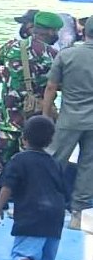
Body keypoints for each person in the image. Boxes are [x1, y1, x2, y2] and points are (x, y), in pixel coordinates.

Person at [0, 115, 66, 260]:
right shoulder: (55, 163)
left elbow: (7, 186)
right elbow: (63, 189)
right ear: (50, 140)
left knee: (20, 256)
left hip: (32, 215)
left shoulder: (19, 160)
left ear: (24, 138)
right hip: (56, 217)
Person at [0, 11, 62, 198]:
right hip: (33, 118)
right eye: (56, 31)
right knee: (29, 159)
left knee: (2, 156)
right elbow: (57, 85)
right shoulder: (53, 55)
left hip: (8, 113)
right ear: (50, 31)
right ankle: (22, 197)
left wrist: (6, 80)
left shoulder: (11, 46)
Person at [44, 19, 93, 228]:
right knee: (88, 167)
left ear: (84, 32)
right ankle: (78, 214)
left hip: (69, 119)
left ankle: (40, 204)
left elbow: (51, 87)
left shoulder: (67, 54)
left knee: (53, 162)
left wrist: (45, 115)